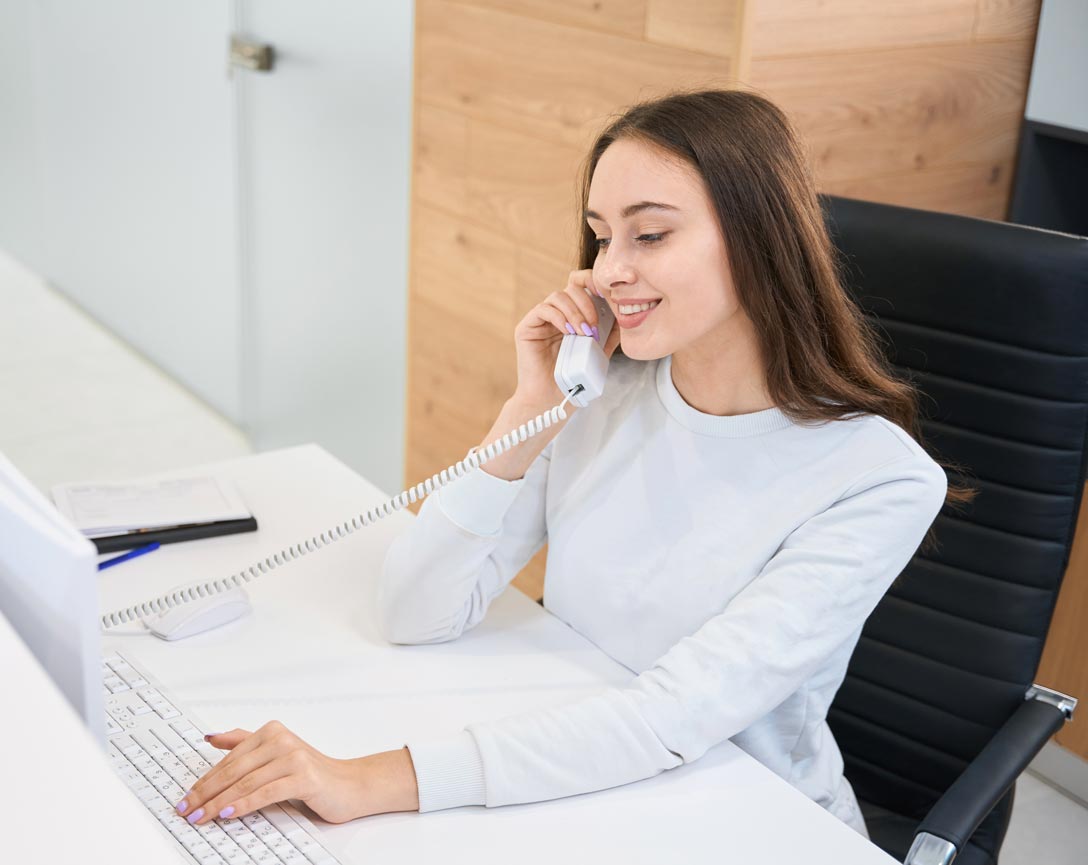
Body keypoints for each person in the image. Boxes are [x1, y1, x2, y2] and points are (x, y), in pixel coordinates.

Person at [174, 89, 971, 837]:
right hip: (573, 762)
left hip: (743, 812)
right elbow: (416, 612)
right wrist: (529, 410)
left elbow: (671, 715)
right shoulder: (602, 396)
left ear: (759, 239)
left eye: (649, 234)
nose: (609, 269)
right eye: (601, 234)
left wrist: (365, 780)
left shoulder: (878, 478)